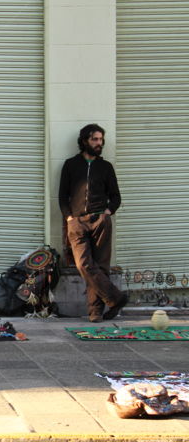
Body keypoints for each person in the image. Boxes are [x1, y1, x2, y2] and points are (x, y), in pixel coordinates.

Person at [59, 124, 128, 323]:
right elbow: (63, 196)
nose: (99, 143)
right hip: (77, 222)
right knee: (84, 265)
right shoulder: (70, 165)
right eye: (95, 139)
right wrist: (69, 218)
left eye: (101, 140)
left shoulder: (105, 167)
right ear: (84, 141)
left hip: (100, 221)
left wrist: (107, 213)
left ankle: (95, 312)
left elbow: (116, 197)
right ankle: (116, 298)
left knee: (100, 266)